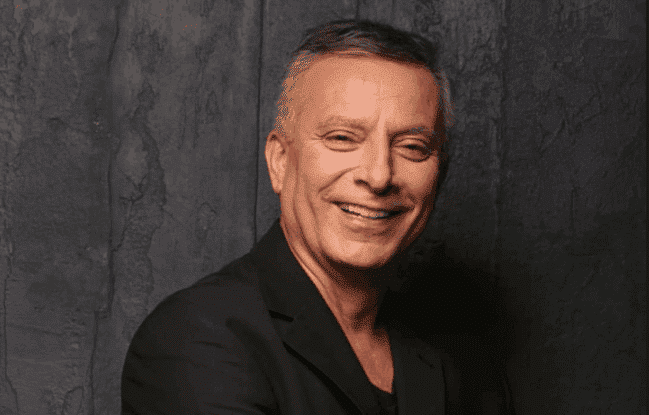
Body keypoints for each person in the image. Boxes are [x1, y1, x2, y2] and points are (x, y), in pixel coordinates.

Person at [121, 20, 515, 414]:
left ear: (439, 175)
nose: (379, 176)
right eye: (342, 138)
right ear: (280, 162)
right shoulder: (197, 339)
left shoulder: (463, 362)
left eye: (412, 147)